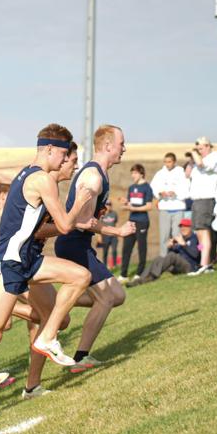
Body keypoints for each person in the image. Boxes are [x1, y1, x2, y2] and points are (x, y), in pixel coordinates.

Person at [0, 124, 96, 426]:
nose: (66, 160)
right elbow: (66, 226)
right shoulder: (42, 179)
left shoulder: (26, 172)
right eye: (65, 154)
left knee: (78, 278)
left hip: (28, 258)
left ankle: (46, 338)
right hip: (10, 263)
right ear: (48, 150)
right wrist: (82, 203)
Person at [54, 125, 135, 373]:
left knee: (116, 296)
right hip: (73, 244)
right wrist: (118, 231)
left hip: (79, 244)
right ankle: (81, 357)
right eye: (122, 143)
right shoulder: (93, 177)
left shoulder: (101, 173)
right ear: (108, 146)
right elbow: (85, 223)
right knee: (108, 296)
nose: (124, 148)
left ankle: (55, 304)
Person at [185, 136, 217, 274]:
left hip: (206, 199)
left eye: (200, 148)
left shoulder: (214, 157)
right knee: (199, 233)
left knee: (203, 232)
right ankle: (203, 262)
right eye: (197, 148)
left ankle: (205, 264)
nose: (199, 151)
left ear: (208, 146)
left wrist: (194, 154)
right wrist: (190, 159)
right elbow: (187, 174)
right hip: (196, 200)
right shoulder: (197, 160)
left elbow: (202, 165)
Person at [134, 219, 200, 284]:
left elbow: (196, 254)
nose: (183, 228)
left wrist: (184, 245)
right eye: (181, 226)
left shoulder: (197, 238)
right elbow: (170, 258)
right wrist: (170, 247)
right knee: (159, 258)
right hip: (178, 268)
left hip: (191, 267)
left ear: (191, 227)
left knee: (172, 255)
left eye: (185, 226)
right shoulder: (180, 239)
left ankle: (153, 275)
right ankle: (141, 279)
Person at [119, 163, 153, 284]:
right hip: (131, 221)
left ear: (141, 173)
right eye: (131, 173)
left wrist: (133, 208)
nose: (132, 176)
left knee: (141, 248)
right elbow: (131, 204)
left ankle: (140, 273)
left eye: (134, 173)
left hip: (142, 222)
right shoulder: (131, 187)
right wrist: (126, 203)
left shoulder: (147, 188)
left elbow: (149, 206)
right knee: (126, 248)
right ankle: (123, 274)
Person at [150, 152, 189, 256]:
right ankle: (163, 258)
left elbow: (186, 187)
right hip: (165, 208)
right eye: (165, 162)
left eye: (169, 162)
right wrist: (160, 193)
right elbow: (153, 187)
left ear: (174, 162)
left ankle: (178, 257)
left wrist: (176, 193)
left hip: (178, 207)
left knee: (177, 234)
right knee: (164, 235)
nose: (167, 164)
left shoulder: (181, 172)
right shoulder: (160, 173)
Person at [98, 201, 118, 270]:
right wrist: (99, 236)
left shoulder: (114, 213)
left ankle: (115, 265)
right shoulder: (102, 214)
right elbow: (99, 226)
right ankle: (105, 266)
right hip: (105, 236)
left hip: (113, 236)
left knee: (114, 251)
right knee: (105, 252)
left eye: (110, 204)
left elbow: (115, 223)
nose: (108, 206)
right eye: (107, 204)